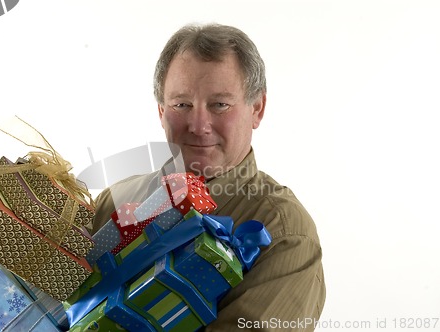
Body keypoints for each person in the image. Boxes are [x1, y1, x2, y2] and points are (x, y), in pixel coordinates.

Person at [91, 23, 325, 331]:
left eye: (219, 105)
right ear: (161, 110)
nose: (199, 125)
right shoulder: (114, 199)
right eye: (182, 104)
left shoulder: (283, 232)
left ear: (257, 108)